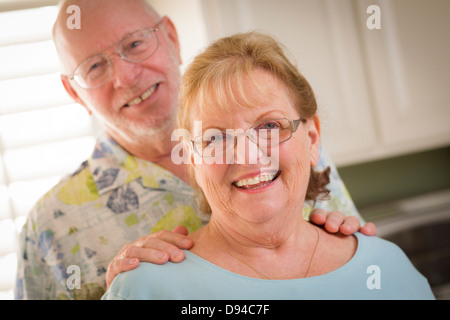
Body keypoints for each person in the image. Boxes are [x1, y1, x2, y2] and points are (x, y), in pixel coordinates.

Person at [15, 0, 374, 300]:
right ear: (75, 92)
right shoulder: (50, 226)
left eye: (135, 44)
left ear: (171, 37)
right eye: (94, 66)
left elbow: (357, 268)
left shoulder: (283, 140)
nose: (125, 76)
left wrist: (344, 241)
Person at [102, 31, 434, 300]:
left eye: (269, 127)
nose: (246, 156)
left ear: (313, 138)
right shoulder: (145, 289)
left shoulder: (385, 267)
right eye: (215, 139)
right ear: (193, 160)